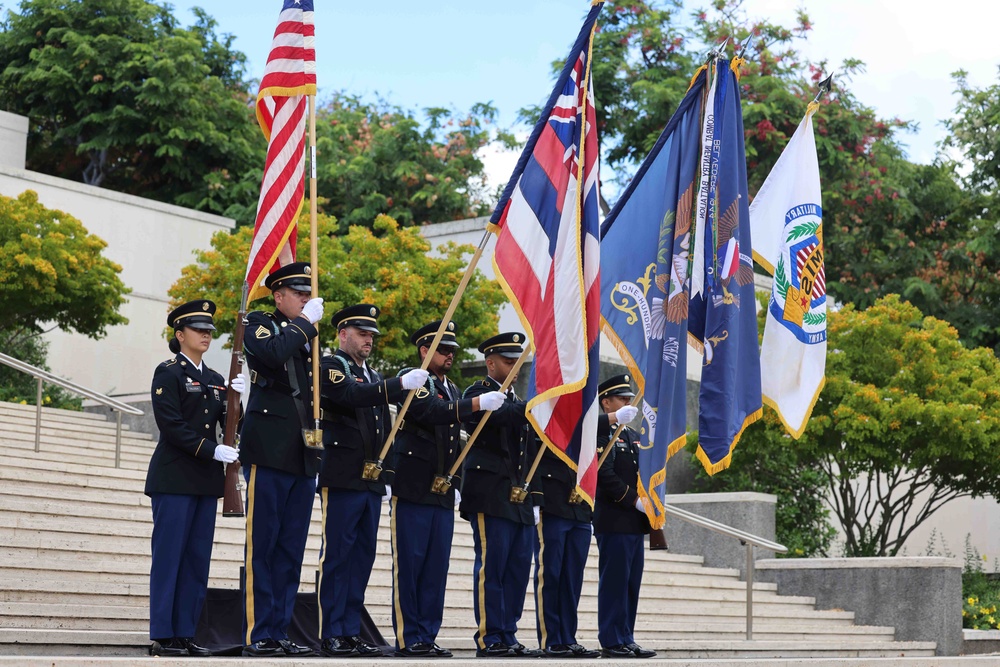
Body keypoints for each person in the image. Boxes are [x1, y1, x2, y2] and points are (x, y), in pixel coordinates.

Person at [388, 321, 507, 658]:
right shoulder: (414, 379)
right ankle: (409, 637)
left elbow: (455, 440)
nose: (450, 355)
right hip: (413, 485)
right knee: (411, 565)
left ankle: (427, 634)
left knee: (435, 568)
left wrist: (455, 483)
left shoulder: (452, 388)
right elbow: (431, 412)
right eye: (443, 350)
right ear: (425, 350)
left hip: (441, 489)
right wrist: (477, 403)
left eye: (452, 350)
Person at [316, 304, 429, 657]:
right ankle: (331, 631)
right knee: (338, 556)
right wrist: (398, 384)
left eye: (371, 335)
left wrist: (388, 475)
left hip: (370, 480)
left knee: (362, 558)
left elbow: (386, 430)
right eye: (362, 334)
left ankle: (350, 630)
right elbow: (350, 395)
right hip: (342, 475)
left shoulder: (375, 377)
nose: (369, 340)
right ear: (343, 334)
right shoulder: (332, 366)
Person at [145, 299, 244, 657]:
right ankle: (164, 634)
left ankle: (186, 632)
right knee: (170, 557)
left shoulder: (216, 380)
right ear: (180, 334)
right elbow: (171, 425)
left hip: (204, 481)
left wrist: (242, 399)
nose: (206, 335)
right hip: (174, 478)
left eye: (209, 330)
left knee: (196, 560)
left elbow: (231, 424)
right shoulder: (168, 372)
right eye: (198, 329)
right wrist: (211, 450)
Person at [239, 262, 325, 658]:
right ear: (278, 296)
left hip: (303, 454)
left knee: (290, 551)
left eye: (308, 294)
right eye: (299, 293)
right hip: (268, 449)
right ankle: (259, 633)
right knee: (264, 546)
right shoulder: (261, 323)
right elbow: (272, 354)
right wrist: (305, 324)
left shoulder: (309, 338)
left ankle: (279, 629)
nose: (306, 299)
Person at [532, 397, 636, 658]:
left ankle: (568, 638)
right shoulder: (550, 406)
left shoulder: (587, 413)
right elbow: (571, 425)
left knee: (572, 578)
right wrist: (612, 418)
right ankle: (551, 640)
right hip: (553, 501)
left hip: (580, 504)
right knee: (551, 574)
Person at [460, 332, 544, 659]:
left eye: (518, 362)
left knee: (517, 570)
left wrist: (535, 498)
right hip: (490, 493)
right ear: (490, 363)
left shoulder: (516, 401)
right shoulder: (478, 393)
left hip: (518, 497)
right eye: (509, 362)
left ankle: (508, 633)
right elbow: (502, 416)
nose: (515, 369)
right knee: (492, 569)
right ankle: (490, 636)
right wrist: (537, 406)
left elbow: (530, 450)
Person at [593, 374, 656, 659]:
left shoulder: (632, 436)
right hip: (614, 518)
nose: (628, 404)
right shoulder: (601, 433)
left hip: (633, 523)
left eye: (630, 399)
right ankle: (611, 639)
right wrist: (633, 500)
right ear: (606, 402)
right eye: (622, 399)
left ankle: (626, 637)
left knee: (631, 584)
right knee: (615, 582)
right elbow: (603, 474)